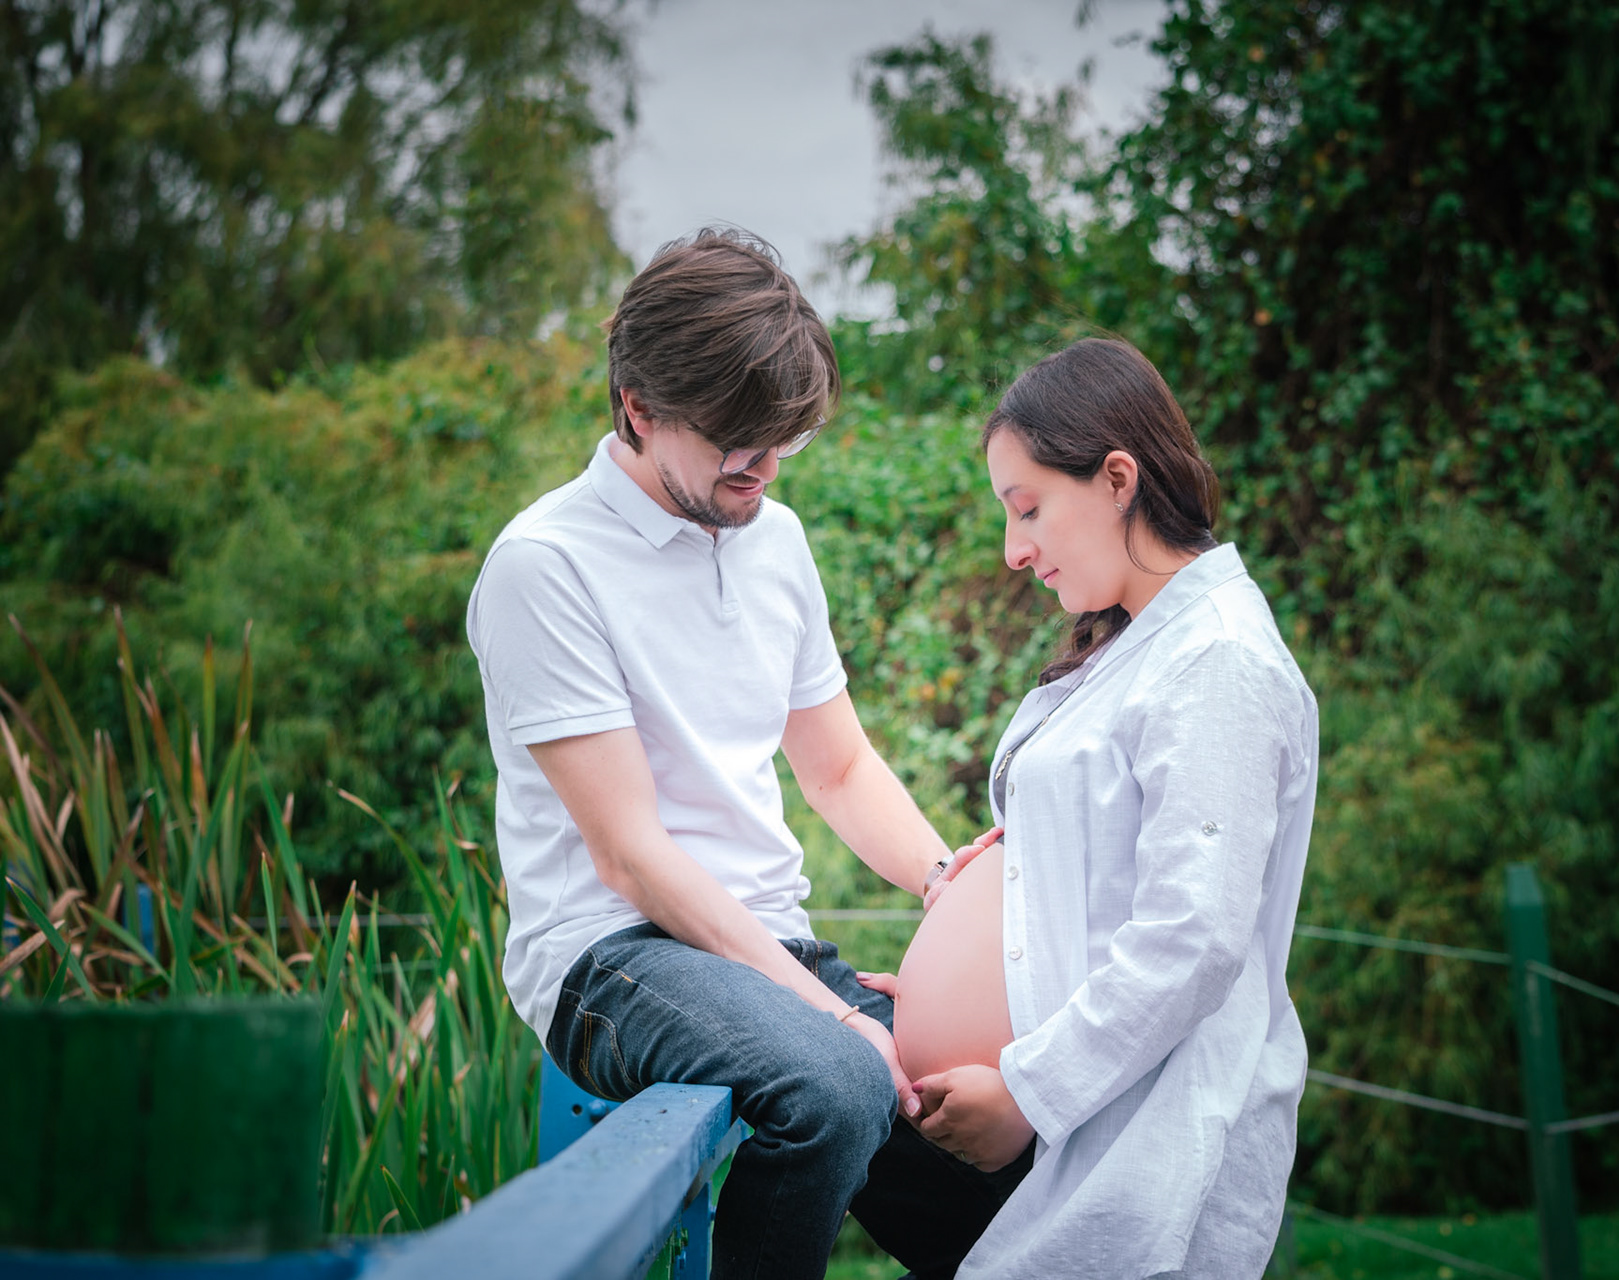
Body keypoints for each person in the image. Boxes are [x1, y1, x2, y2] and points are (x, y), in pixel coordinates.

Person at [464, 227, 1026, 1280]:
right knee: (837, 1083)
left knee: (1003, 1146)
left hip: (767, 945)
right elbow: (632, 856)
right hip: (613, 955)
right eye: (737, 442)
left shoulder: (777, 539)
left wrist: (949, 886)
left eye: (785, 441)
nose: (763, 469)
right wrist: (832, 1015)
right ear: (638, 406)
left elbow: (839, 769)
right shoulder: (545, 565)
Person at [865, 337, 1319, 1278]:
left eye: (1028, 507)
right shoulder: (1136, 647)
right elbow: (1098, 884)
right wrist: (983, 968)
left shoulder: (1217, 660)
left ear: (1118, 479)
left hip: (1110, 1136)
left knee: (803, 1087)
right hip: (1045, 1120)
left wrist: (1027, 1091)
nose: (1013, 550)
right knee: (807, 1066)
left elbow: (1191, 938)